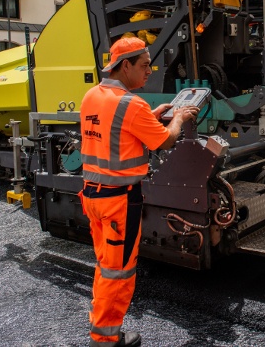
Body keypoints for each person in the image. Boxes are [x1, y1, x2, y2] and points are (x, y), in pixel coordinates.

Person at [79, 37, 199, 347]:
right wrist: (181, 118)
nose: (149, 71)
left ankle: (100, 324)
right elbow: (165, 142)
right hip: (119, 202)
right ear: (125, 65)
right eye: (144, 65)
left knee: (106, 265)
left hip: (92, 197)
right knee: (118, 272)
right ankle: (105, 339)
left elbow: (116, 132)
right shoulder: (131, 104)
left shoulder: (92, 96)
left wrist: (152, 117)